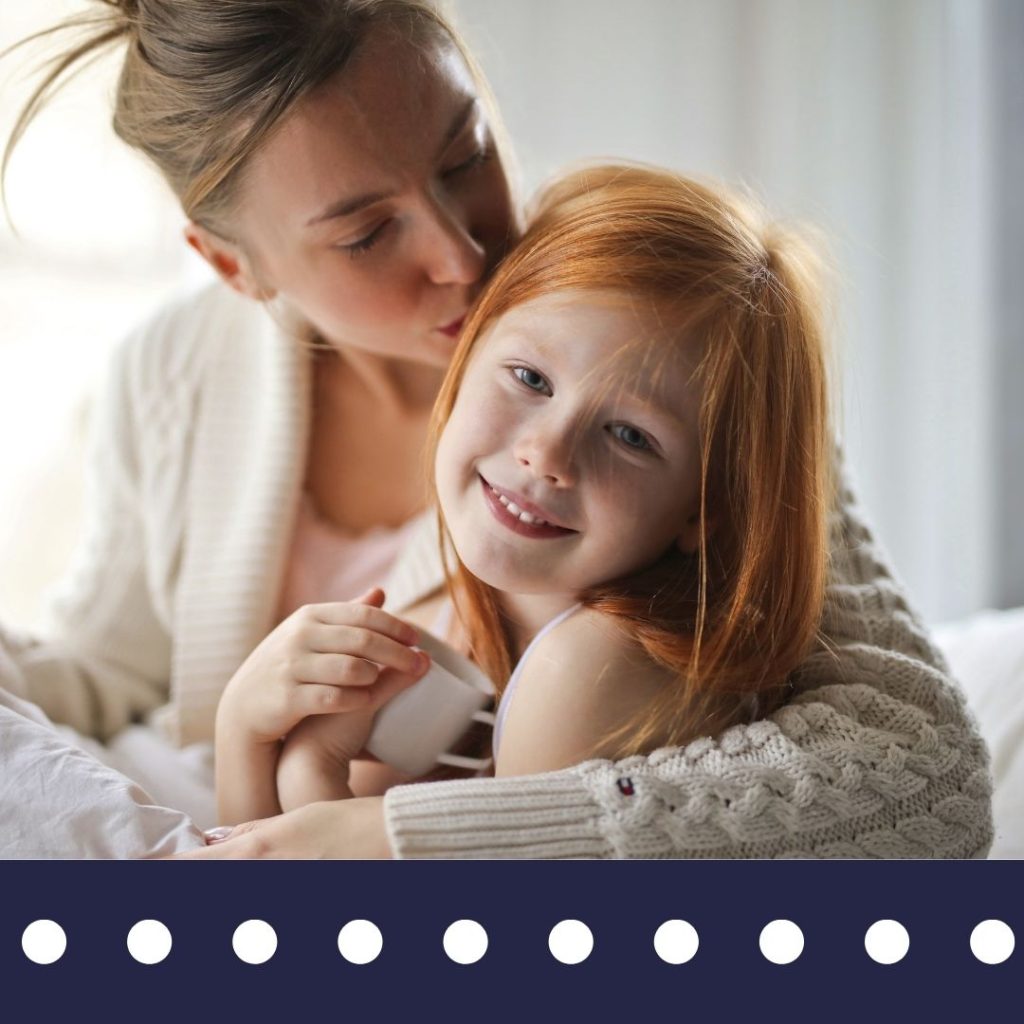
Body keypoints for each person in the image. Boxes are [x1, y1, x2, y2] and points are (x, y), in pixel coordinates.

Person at [0, 1, 992, 859]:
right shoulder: (177, 369)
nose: (464, 251)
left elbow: (920, 772)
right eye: (365, 233)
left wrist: (411, 843)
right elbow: (103, 669)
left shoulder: (660, 320)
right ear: (233, 266)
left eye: (463, 156)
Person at [220, 164, 836, 824]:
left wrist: (308, 771)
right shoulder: (464, 612)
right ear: (464, 356)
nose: (545, 455)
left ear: (703, 509)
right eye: (530, 378)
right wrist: (245, 733)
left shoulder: (593, 672)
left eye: (630, 435)